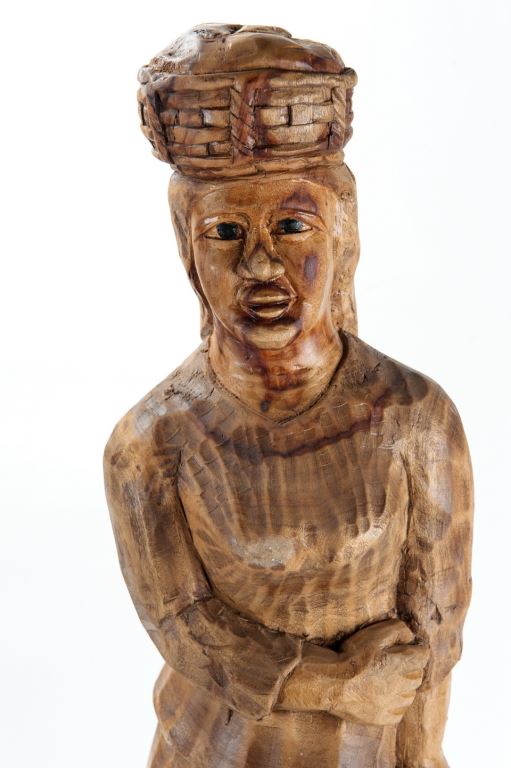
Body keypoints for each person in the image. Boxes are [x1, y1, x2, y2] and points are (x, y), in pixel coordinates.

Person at [104, 25, 473, 768]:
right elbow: (182, 623)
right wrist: (332, 684)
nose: (261, 264)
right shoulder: (152, 442)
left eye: (292, 225)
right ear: (187, 252)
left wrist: (420, 754)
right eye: (225, 232)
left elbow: (434, 635)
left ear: (341, 235)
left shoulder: (413, 419)